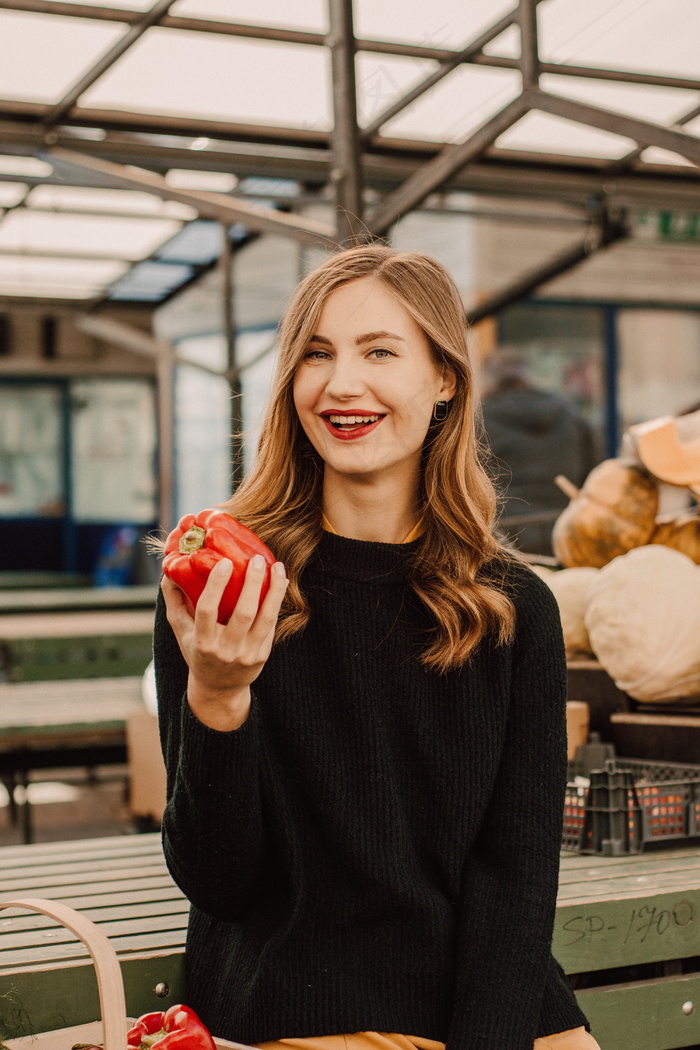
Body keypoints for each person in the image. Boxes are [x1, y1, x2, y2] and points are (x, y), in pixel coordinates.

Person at [155, 245, 600, 1050]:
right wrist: (218, 697)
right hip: (299, 1002)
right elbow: (219, 884)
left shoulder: (513, 609)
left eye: (380, 351)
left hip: (482, 998)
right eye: (316, 355)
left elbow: (516, 880)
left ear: (445, 381)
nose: (342, 384)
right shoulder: (226, 590)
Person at [480, 348, 598, 556]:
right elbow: (595, 476)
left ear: (488, 381)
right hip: (566, 533)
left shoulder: (476, 422)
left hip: (505, 540)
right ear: (527, 378)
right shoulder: (569, 414)